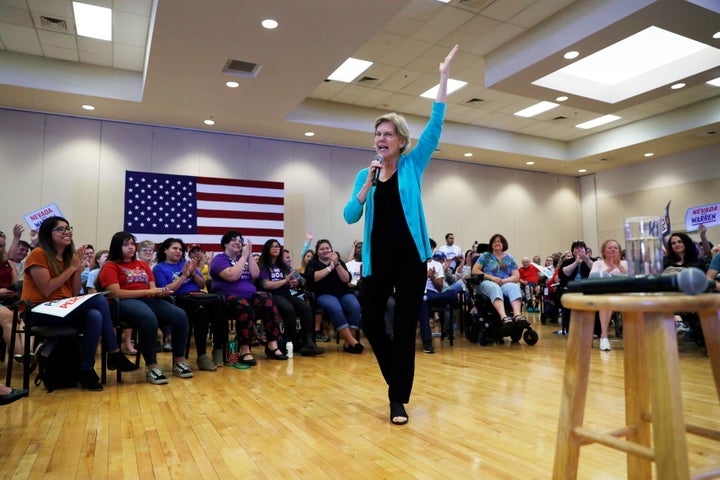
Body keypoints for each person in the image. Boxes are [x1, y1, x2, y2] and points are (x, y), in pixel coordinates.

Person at [343, 45, 458, 425]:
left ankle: (397, 399)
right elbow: (349, 216)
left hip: (411, 260)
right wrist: (365, 190)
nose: (381, 139)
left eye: (388, 134)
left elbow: (435, 127)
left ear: (401, 141)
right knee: (372, 322)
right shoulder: (366, 174)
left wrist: (442, 79)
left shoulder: (412, 165)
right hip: (378, 262)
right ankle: (396, 377)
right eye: (377, 133)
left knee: (406, 326)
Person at [21, 217, 138, 390]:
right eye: (61, 229)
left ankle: (86, 371)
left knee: (94, 315)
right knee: (98, 299)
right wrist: (71, 268)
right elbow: (46, 290)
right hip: (39, 311)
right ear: (48, 233)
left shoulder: (69, 257)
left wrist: (76, 269)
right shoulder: (39, 254)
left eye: (68, 228)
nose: (67, 232)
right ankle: (114, 353)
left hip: (63, 308)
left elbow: (74, 293)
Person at [98, 231, 192, 385]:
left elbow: (152, 288)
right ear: (117, 247)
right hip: (122, 303)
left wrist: (160, 292)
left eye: (132, 244)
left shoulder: (142, 265)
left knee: (180, 315)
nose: (131, 248)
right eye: (126, 244)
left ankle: (178, 362)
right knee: (148, 318)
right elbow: (115, 293)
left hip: (147, 300)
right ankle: (152, 367)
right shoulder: (110, 266)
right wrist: (148, 292)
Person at [209, 230, 287, 365]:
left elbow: (255, 274)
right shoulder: (219, 259)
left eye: (240, 241)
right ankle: (245, 349)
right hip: (228, 297)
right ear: (225, 243)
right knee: (245, 306)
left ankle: (272, 345)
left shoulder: (244, 258)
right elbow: (232, 276)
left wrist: (249, 254)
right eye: (234, 240)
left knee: (268, 301)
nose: (238, 243)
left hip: (250, 295)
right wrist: (243, 257)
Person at [153, 237, 228, 370]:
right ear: (165, 250)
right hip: (177, 301)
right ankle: (202, 355)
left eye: (180, 249)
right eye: (174, 248)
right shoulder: (159, 268)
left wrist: (192, 273)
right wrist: (183, 276)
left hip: (197, 297)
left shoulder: (186, 263)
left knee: (219, 305)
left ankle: (218, 348)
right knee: (202, 311)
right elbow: (167, 290)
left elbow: (201, 284)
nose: (178, 251)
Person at [257, 239, 324, 357]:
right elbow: (265, 285)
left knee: (305, 308)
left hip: (286, 293)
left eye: (277, 246)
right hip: (272, 295)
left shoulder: (283, 265)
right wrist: (284, 281)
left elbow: (291, 281)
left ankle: (307, 342)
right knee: (289, 310)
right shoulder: (264, 266)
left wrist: (295, 283)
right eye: (272, 246)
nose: (275, 248)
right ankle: (294, 342)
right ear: (267, 249)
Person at [305, 239, 363, 353]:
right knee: (335, 308)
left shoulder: (338, 261)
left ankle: (348, 343)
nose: (325, 250)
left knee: (355, 306)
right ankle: (352, 341)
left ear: (331, 250)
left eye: (327, 248)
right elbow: (313, 278)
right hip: (323, 293)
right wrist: (329, 268)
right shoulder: (313, 263)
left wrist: (336, 264)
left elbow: (346, 279)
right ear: (317, 252)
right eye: (322, 249)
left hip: (343, 292)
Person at [471, 233, 526, 325]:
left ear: (504, 244)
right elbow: (475, 270)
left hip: (504, 282)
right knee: (494, 287)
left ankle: (517, 315)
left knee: (514, 287)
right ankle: (503, 316)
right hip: (487, 282)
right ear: (491, 244)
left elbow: (516, 276)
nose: (497, 243)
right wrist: (492, 278)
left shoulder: (509, 258)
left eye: (499, 241)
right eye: (494, 241)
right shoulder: (486, 255)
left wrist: (503, 281)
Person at [589, 239, 627, 351]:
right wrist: (610, 268)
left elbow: (632, 278)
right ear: (604, 251)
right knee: (607, 299)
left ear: (619, 251)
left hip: (623, 295)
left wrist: (618, 266)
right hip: (604, 295)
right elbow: (592, 278)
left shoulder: (625, 263)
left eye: (616, 248)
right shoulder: (598, 263)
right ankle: (604, 336)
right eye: (610, 248)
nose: (613, 250)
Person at [557, 240, 594, 335]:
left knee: (594, 300)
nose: (579, 250)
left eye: (581, 248)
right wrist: (576, 263)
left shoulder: (592, 261)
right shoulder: (568, 262)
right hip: (571, 289)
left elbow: (597, 271)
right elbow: (563, 274)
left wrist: (586, 260)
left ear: (585, 250)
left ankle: (593, 330)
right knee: (568, 299)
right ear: (573, 251)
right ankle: (571, 329)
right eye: (576, 248)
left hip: (588, 288)